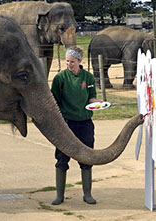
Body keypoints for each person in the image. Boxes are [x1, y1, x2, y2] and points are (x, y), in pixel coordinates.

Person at [50, 45, 103, 205]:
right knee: (61, 158)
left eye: (72, 62)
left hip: (85, 123)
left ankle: (87, 194)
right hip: (66, 125)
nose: (69, 64)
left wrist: (97, 102)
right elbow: (55, 102)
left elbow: (91, 97)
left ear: (80, 61)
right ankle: (59, 195)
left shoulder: (88, 78)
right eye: (67, 61)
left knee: (87, 158)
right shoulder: (60, 78)